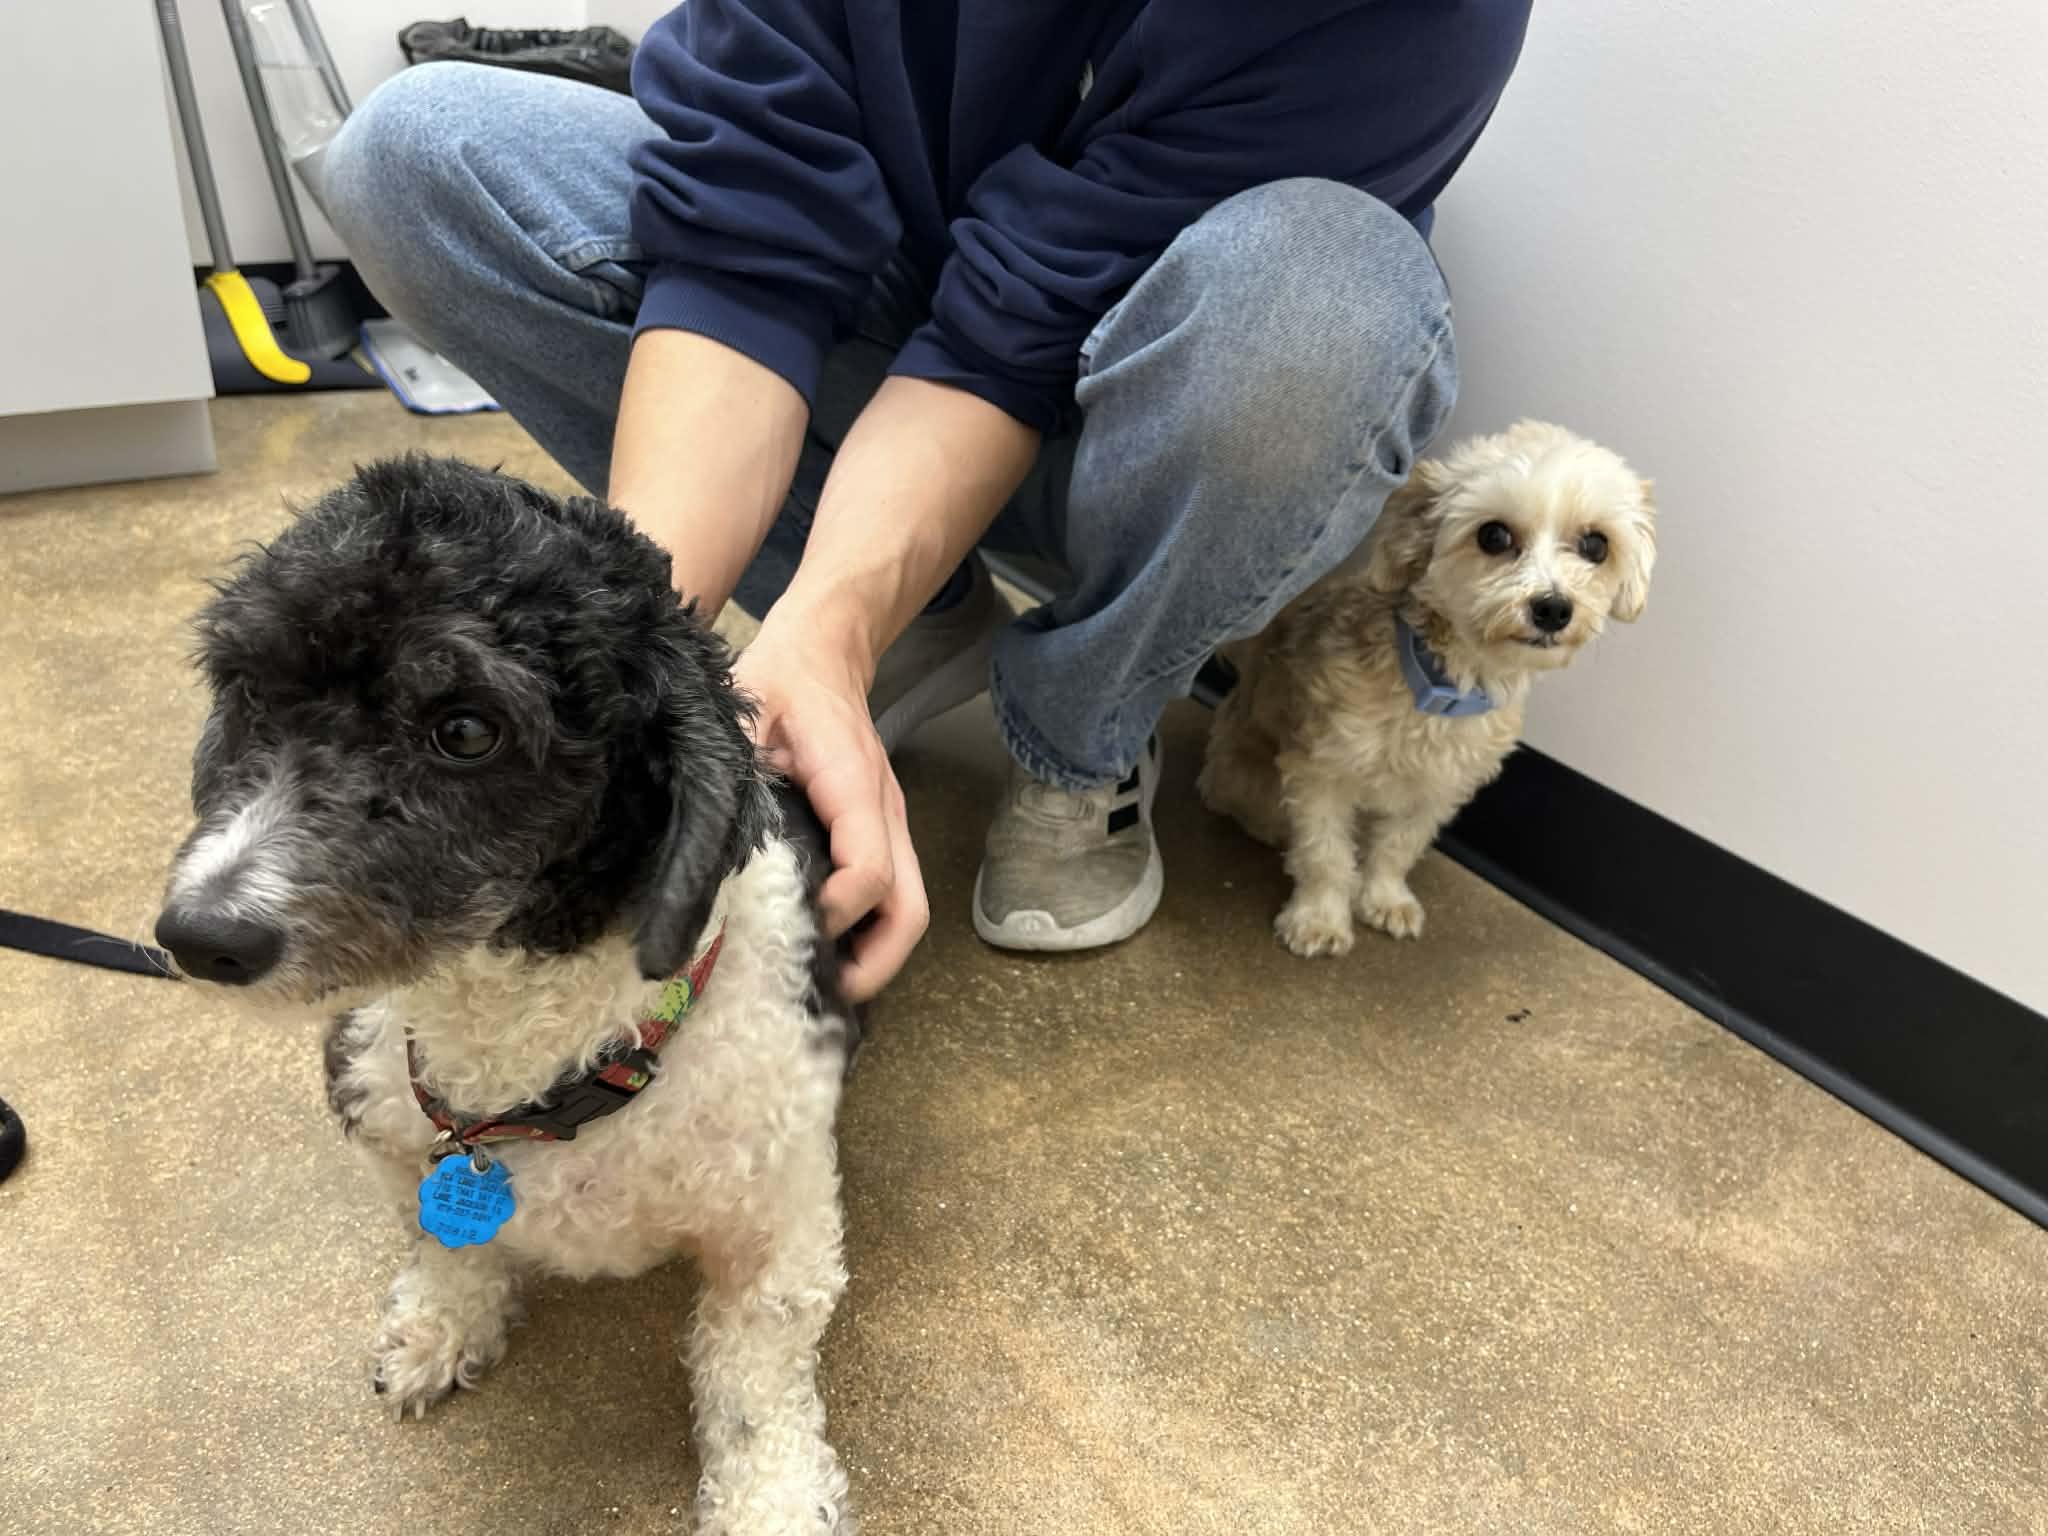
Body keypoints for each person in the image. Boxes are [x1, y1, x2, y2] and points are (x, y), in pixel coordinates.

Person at [318, 1, 1532, 1002]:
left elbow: (1020, 323)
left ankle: (1079, 742)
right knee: (418, 150)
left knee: (1320, 295)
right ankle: (901, 618)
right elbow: (750, 222)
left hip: (1183, 430)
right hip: (907, 317)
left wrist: (828, 627)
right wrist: (633, 667)